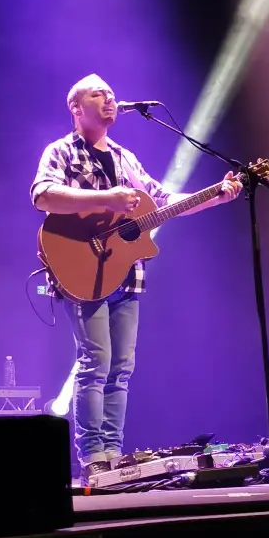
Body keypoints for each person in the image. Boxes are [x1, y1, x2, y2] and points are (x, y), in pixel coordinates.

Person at [29, 74, 242, 485]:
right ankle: (93, 456)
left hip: (126, 275)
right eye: (98, 94)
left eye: (111, 94)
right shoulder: (61, 152)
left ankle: (114, 453)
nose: (109, 99)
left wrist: (213, 194)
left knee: (121, 368)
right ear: (75, 107)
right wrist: (105, 198)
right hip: (83, 272)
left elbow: (163, 202)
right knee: (95, 364)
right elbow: (42, 195)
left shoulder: (126, 158)